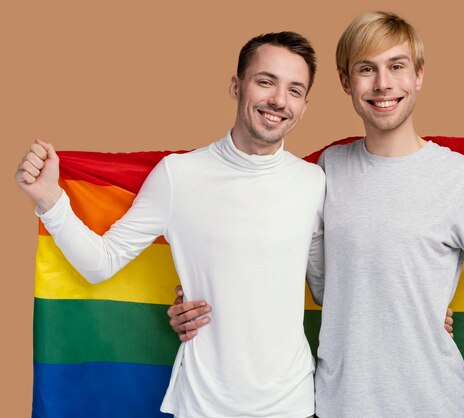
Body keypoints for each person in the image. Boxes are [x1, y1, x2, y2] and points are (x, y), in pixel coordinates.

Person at [169, 11, 464, 417]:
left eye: (397, 66)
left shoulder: (460, 178)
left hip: (431, 403)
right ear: (346, 82)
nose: (382, 84)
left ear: (419, 76)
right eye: (366, 69)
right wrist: (193, 296)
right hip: (338, 404)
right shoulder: (323, 171)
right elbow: (266, 249)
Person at [16, 31, 326, 418]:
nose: (279, 100)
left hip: (291, 405)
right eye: (266, 81)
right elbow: (101, 263)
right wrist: (49, 200)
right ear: (236, 86)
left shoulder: (313, 183)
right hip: (203, 405)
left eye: (294, 90)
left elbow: (326, 288)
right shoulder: (179, 176)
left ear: (305, 104)